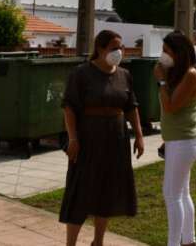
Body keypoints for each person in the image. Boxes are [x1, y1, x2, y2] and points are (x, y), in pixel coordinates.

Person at [60, 30, 145, 246]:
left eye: (121, 47)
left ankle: (98, 241)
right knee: (81, 190)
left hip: (116, 140)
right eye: (114, 48)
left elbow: (131, 107)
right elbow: (69, 107)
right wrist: (73, 139)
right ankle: (71, 243)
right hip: (88, 139)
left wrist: (139, 135)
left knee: (107, 190)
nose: (119, 52)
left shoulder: (124, 75)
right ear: (100, 48)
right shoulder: (81, 73)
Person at [154, 31, 196, 246]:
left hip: (184, 141)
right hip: (179, 140)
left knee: (171, 195)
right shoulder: (180, 73)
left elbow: (171, 107)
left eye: (167, 51)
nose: (163, 55)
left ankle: (175, 244)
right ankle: (189, 241)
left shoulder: (190, 75)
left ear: (179, 53)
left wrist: (162, 82)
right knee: (182, 193)